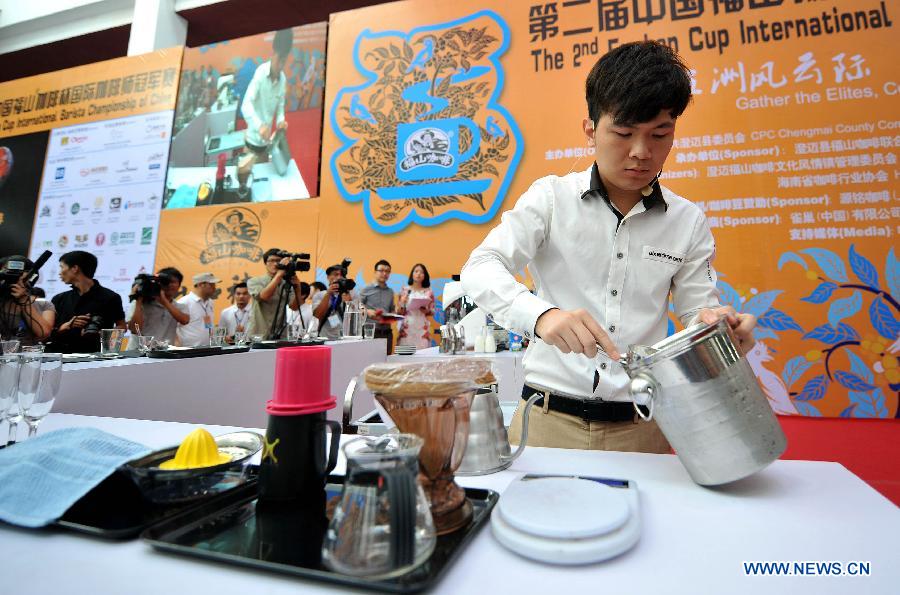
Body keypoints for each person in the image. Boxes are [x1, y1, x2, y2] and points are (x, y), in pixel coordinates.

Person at [461, 42, 757, 454]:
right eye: (623, 133)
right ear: (591, 130)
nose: (641, 152)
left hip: (645, 427)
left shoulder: (686, 221)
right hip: (548, 421)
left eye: (660, 134)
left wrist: (717, 331)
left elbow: (695, 313)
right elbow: (480, 266)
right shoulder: (550, 199)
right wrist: (541, 315)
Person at [237, 28, 293, 191]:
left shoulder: (283, 80)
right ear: (273, 53)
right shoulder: (261, 73)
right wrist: (259, 125)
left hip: (266, 147)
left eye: (284, 61)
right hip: (252, 143)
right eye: (278, 60)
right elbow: (245, 104)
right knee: (245, 186)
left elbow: (281, 108)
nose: (280, 65)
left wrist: (282, 122)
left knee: (261, 186)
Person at [49, 251, 125, 353]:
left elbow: (122, 326)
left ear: (75, 268)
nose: (59, 272)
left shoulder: (110, 297)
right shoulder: (59, 299)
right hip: (59, 356)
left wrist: (101, 334)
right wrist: (66, 326)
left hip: (94, 358)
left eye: (62, 267)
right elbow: (47, 331)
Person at [246, 248, 303, 340]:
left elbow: (295, 307)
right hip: (258, 333)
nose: (276, 264)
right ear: (265, 263)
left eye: (278, 261)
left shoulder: (286, 283)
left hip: (280, 334)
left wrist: (298, 287)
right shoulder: (254, 281)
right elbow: (263, 296)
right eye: (272, 260)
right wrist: (279, 275)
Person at [0, 256, 54, 347]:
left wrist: (23, 299)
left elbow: (44, 334)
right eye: (7, 275)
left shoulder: (43, 304)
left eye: (17, 277)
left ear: (30, 279)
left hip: (28, 357)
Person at [126, 267, 189, 345]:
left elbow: (185, 320)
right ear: (157, 283)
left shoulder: (180, 306)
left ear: (179, 285)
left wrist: (164, 301)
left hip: (164, 352)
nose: (169, 285)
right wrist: (138, 301)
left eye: (173, 282)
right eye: (165, 282)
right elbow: (135, 330)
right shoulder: (141, 303)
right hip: (139, 352)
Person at [312, 263, 357, 340]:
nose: (339, 277)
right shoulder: (320, 295)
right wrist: (328, 294)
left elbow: (357, 319)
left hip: (346, 339)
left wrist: (349, 303)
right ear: (328, 277)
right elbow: (317, 316)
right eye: (336, 274)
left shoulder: (351, 294)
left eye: (341, 275)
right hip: (324, 338)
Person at [360, 259, 396, 354]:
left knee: (386, 361)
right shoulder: (366, 289)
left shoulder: (390, 292)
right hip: (370, 332)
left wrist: (393, 315)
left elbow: (391, 309)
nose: (384, 273)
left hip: (387, 332)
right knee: (368, 359)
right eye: (381, 271)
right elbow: (357, 306)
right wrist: (368, 311)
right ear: (375, 272)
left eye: (387, 271)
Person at [176, 272, 220, 347]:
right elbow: (174, 328)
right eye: (211, 284)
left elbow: (208, 325)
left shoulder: (210, 302)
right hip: (189, 350)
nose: (215, 287)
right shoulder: (184, 302)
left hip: (208, 348)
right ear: (200, 285)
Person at [397, 263, 435, 350]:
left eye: (421, 272)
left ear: (425, 276)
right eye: (416, 271)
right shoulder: (405, 290)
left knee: (423, 351)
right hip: (407, 325)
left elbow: (432, 311)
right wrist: (402, 302)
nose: (418, 274)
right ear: (412, 274)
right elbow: (399, 311)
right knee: (405, 352)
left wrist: (426, 311)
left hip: (422, 324)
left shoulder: (429, 292)